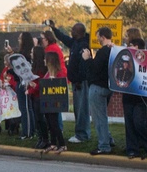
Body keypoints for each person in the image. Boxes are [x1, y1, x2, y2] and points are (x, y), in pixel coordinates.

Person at [49, 20, 89, 144]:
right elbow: (63, 38)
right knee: (78, 108)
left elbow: (83, 65)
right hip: (77, 81)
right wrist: (54, 29)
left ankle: (82, 135)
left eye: (73, 30)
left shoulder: (83, 45)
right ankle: (80, 133)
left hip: (80, 82)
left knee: (81, 109)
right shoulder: (75, 43)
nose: (71, 32)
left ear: (79, 32)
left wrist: (77, 80)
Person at [81, 26, 115, 155]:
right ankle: (109, 139)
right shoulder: (113, 50)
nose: (97, 39)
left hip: (97, 87)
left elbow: (94, 70)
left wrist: (87, 58)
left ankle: (104, 145)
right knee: (102, 116)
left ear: (102, 37)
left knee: (99, 118)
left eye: (98, 37)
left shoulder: (102, 52)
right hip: (108, 86)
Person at [121, 34, 147, 159]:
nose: (128, 47)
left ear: (136, 47)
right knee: (129, 124)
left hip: (141, 98)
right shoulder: (127, 61)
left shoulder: (145, 60)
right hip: (128, 97)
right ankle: (132, 149)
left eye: (130, 45)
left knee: (139, 123)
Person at [41, 52, 68, 153]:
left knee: (54, 123)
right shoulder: (47, 73)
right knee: (49, 123)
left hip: (55, 102)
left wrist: (54, 81)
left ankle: (62, 144)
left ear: (50, 61)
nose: (44, 61)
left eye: (45, 59)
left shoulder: (58, 73)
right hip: (47, 102)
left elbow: (62, 84)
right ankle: (53, 143)